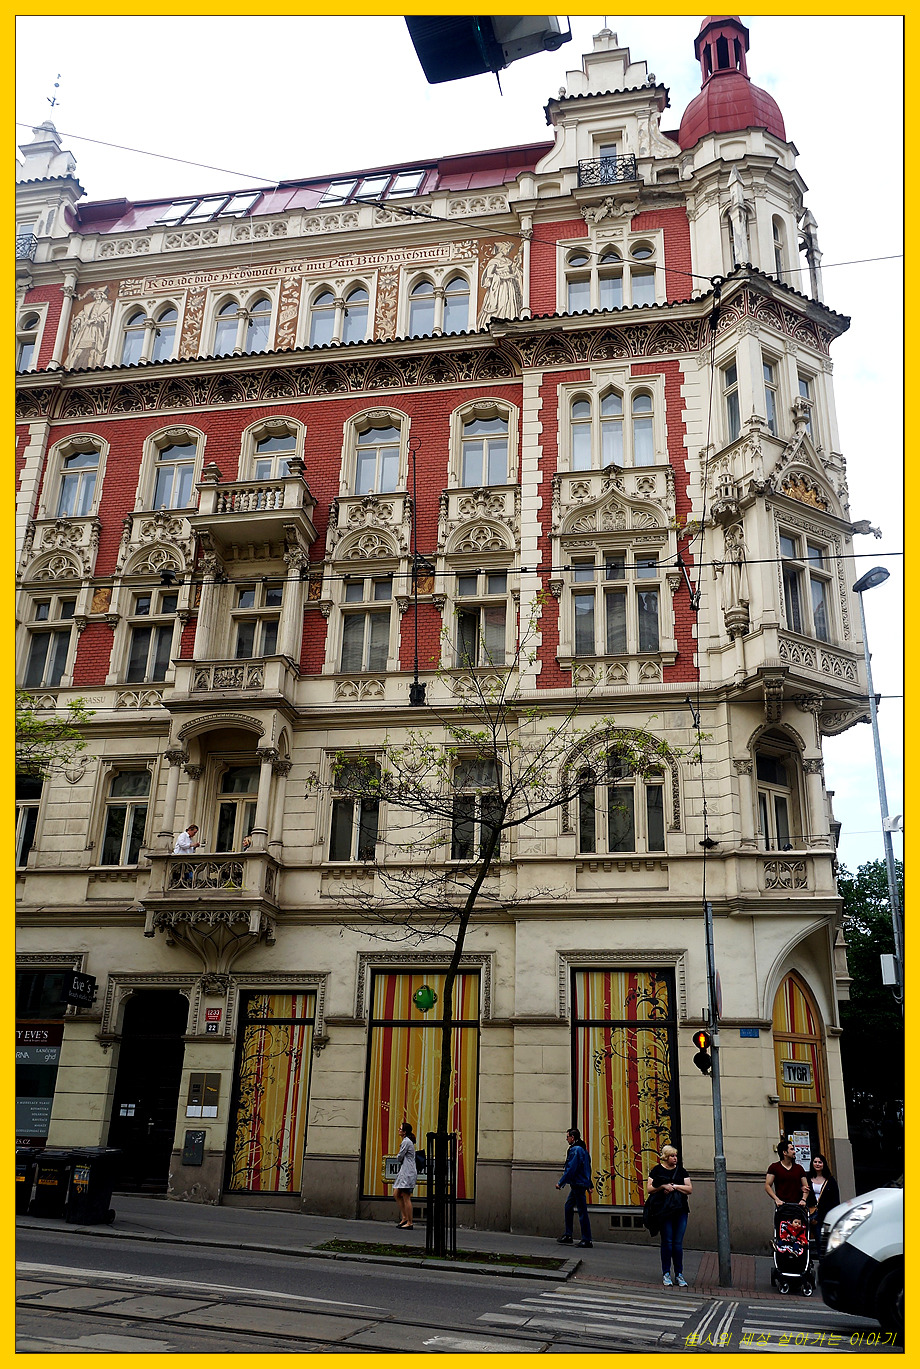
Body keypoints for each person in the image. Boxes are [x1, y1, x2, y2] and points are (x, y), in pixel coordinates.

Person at [647, 1144, 693, 1287]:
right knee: (667, 1242)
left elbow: (689, 1189)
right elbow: (649, 1188)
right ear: (666, 1157)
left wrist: (675, 1186)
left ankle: (679, 1274)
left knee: (677, 1243)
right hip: (664, 1211)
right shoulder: (657, 1170)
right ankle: (666, 1273)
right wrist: (662, 1186)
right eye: (672, 1156)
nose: (675, 1158)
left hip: (680, 1210)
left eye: (676, 1156)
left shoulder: (681, 1171)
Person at [555, 1127, 593, 1248]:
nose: (566, 1139)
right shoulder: (583, 1149)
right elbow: (587, 1168)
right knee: (568, 1206)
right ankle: (568, 1235)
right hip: (580, 1183)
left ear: (572, 1137)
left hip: (578, 1184)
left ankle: (586, 1239)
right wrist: (589, 1184)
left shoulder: (576, 1150)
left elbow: (571, 1168)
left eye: (567, 1137)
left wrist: (561, 1182)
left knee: (582, 1211)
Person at [765, 1138, 809, 1209]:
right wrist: (776, 1199)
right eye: (791, 1149)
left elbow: (806, 1187)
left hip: (797, 1205)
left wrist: (803, 1199)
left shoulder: (799, 1168)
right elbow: (767, 1185)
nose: (794, 1152)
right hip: (782, 1205)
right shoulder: (774, 1167)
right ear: (784, 1152)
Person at [806, 1154, 840, 1241]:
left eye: (820, 1162)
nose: (817, 1164)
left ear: (824, 1164)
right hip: (812, 1212)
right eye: (815, 1162)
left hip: (826, 1213)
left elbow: (835, 1198)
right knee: (815, 1238)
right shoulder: (807, 1178)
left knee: (825, 1239)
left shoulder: (830, 1180)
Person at [393, 1121, 417, 1229]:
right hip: (404, 1172)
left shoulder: (406, 1142)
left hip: (408, 1172)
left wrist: (398, 1157)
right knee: (396, 1194)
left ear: (404, 1132)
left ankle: (410, 1222)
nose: (398, 1130)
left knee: (406, 1197)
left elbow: (400, 1156)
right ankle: (404, 1217)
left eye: (400, 1128)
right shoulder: (406, 1141)